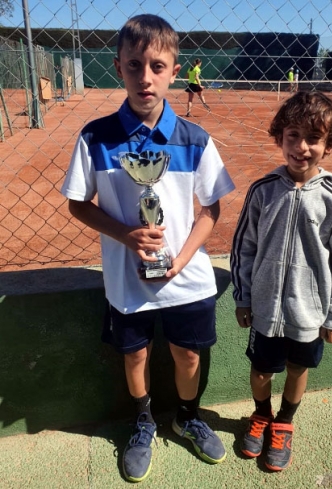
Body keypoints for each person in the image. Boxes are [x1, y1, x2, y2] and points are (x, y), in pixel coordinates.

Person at [61, 14, 235, 483]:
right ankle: (143, 421)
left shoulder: (195, 140)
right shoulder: (96, 137)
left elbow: (211, 211)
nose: (145, 77)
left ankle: (187, 414)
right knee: (134, 355)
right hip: (127, 279)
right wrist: (126, 234)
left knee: (189, 355)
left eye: (157, 66)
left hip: (185, 278)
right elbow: (79, 204)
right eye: (135, 65)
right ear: (118, 67)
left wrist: (178, 260)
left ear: (175, 72)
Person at [230, 91, 332, 472]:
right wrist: (243, 296)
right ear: (280, 137)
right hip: (266, 308)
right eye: (292, 135)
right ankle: (262, 414)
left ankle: (284, 422)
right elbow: (244, 247)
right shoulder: (262, 191)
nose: (301, 147)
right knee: (262, 369)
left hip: (309, 312)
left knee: (299, 370)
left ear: (328, 145)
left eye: (313, 139)